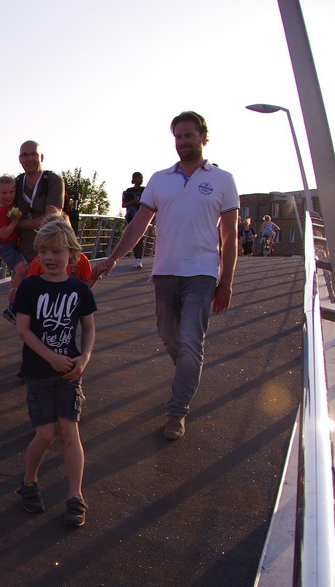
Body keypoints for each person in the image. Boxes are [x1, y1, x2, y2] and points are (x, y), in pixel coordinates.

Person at [92, 110, 239, 441]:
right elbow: (138, 224)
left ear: (203, 137)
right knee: (170, 339)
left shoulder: (222, 180)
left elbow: (230, 236)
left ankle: (177, 412)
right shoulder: (160, 180)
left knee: (190, 340)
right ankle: (189, 369)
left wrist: (227, 281)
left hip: (202, 273)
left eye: (189, 135)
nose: (183, 142)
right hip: (165, 272)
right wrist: (114, 258)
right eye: (178, 136)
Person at [13, 219, 96, 526]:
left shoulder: (80, 290)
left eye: (56, 251)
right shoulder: (30, 287)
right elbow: (23, 330)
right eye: (44, 251)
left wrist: (84, 358)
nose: (49, 257)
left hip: (69, 374)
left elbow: (89, 329)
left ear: (71, 254)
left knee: (69, 434)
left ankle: (75, 496)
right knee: (46, 433)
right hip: (38, 372)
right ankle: (29, 481)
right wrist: (50, 357)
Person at [15, 140, 65, 262]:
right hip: (22, 254)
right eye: (25, 155)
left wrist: (15, 224)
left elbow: (50, 220)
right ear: (20, 159)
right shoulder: (16, 183)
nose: (29, 159)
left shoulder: (53, 180)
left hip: (49, 253)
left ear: (41, 157)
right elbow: (1, 211)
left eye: (34, 154)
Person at [0, 174, 29, 323]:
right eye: (4, 193)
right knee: (20, 269)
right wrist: (16, 221)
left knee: (21, 269)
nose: (8, 196)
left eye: (11, 192)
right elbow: (4, 233)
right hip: (5, 245)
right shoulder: (0, 211)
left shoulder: (8, 204)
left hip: (12, 243)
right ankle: (13, 301)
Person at [121, 172, 147, 269]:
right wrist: (132, 202)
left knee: (139, 237)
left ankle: (138, 259)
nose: (141, 180)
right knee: (134, 237)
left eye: (142, 178)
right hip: (131, 217)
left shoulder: (144, 190)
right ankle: (137, 258)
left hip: (141, 216)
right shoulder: (128, 191)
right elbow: (123, 204)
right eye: (139, 178)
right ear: (134, 179)